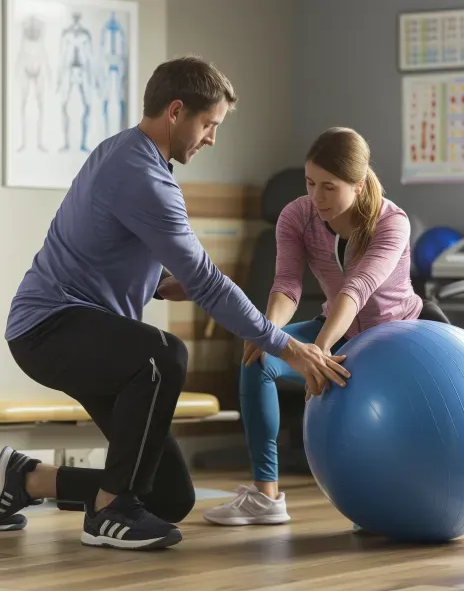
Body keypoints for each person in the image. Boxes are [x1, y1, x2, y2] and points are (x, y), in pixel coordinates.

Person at [0, 56, 350, 551]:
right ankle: (106, 514)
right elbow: (207, 282)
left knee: (168, 496)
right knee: (165, 356)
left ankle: (24, 478)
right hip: (49, 326)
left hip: (74, 326)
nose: (211, 138)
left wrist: (161, 281)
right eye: (209, 124)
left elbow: (100, 249)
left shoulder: (129, 153)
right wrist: (286, 347)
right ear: (176, 111)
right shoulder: (140, 171)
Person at [202, 126, 450, 527]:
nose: (316, 197)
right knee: (258, 360)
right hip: (341, 332)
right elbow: (287, 284)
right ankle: (266, 497)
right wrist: (271, 335)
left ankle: (395, 492)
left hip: (399, 337)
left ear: (359, 183)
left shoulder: (393, 222)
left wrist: (317, 349)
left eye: (329, 187)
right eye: (310, 182)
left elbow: (358, 289)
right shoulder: (297, 216)